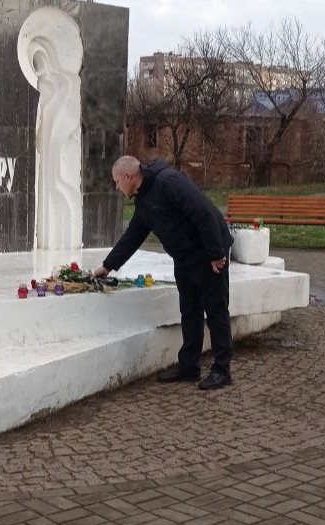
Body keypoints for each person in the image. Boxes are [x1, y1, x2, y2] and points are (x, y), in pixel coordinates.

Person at [92, 156, 234, 390]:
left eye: (117, 182)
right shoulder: (143, 200)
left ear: (128, 176)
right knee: (190, 310)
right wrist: (108, 266)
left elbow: (203, 212)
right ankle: (189, 367)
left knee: (216, 309)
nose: (117, 187)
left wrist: (215, 253)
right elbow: (133, 236)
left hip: (208, 253)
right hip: (184, 256)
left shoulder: (168, 181)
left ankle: (222, 370)